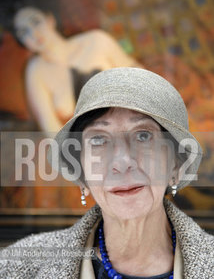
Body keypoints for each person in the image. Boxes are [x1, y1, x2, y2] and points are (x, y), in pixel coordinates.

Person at [0, 67, 213, 279]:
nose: (122, 162)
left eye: (143, 136)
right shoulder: (16, 267)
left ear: (175, 165)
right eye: (99, 139)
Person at [13, 7, 141, 136]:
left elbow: (141, 79)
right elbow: (49, 126)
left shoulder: (96, 41)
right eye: (24, 33)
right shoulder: (36, 70)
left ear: (50, 20)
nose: (34, 34)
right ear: (22, 42)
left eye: (36, 22)